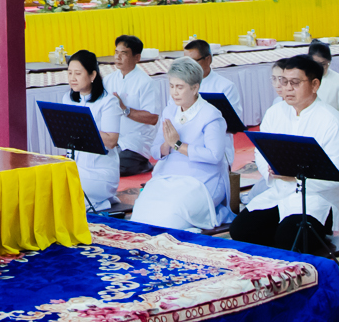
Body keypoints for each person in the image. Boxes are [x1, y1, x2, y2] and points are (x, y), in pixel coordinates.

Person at [231, 55, 339, 252]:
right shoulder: (274, 112)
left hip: (315, 199)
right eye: (284, 81)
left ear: (315, 84)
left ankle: (309, 236)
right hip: (279, 193)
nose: (287, 88)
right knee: (241, 230)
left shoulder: (332, 120)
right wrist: (271, 169)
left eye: (295, 83)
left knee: (288, 238)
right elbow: (260, 151)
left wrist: (296, 177)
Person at [131, 57, 232, 232]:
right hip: (167, 176)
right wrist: (167, 145)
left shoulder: (211, 115)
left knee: (171, 216)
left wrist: (177, 145)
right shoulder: (169, 111)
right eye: (171, 86)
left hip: (201, 180)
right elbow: (155, 151)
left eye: (180, 87)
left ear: (195, 88)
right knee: (141, 213)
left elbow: (214, 156)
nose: (174, 92)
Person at [48, 49, 121, 211]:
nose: (72, 78)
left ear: (92, 75)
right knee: (50, 180)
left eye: (78, 74)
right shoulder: (68, 99)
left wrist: (83, 126)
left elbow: (111, 141)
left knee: (64, 187)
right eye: (69, 73)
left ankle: (99, 201)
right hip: (77, 167)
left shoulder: (108, 102)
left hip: (100, 173)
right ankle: (95, 203)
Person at [108, 34, 166, 178]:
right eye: (116, 52)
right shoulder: (109, 80)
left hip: (135, 142)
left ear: (137, 57)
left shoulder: (146, 83)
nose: (118, 57)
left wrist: (124, 109)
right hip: (113, 140)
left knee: (114, 168)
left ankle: (143, 164)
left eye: (124, 53)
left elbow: (152, 118)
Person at [182, 39, 245, 131]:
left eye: (193, 62)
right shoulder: (180, 85)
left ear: (208, 59)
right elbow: (172, 116)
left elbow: (233, 124)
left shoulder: (226, 87)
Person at [309, 38, 339, 120]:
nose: (319, 68)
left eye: (323, 64)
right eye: (316, 64)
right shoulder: (303, 79)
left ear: (329, 62)